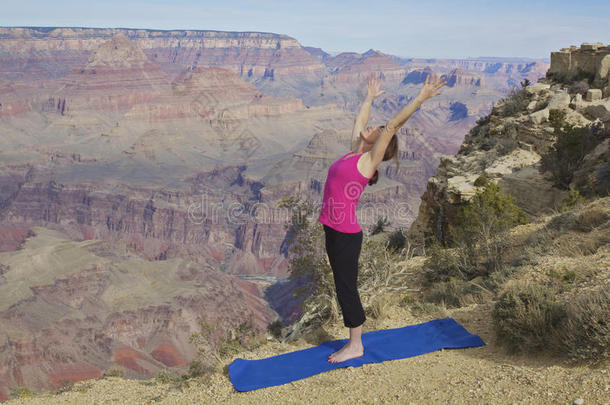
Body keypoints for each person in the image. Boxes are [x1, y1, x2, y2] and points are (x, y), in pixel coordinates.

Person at [317, 72, 447, 363]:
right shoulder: (354, 153)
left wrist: (420, 98)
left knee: (346, 286)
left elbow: (391, 126)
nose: (372, 127)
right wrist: (368, 98)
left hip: (345, 234)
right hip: (332, 230)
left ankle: (356, 344)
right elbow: (359, 122)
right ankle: (354, 339)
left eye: (377, 131)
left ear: (380, 146)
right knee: (341, 284)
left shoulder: (367, 162)